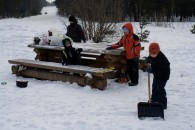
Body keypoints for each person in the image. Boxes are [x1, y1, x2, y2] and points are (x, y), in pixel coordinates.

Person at [146, 42, 170, 109]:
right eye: (151, 54)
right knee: (154, 87)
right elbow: (150, 58)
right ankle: (154, 99)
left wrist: (152, 71)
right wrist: (148, 60)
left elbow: (161, 71)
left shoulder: (162, 59)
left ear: (158, 51)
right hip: (156, 75)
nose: (152, 55)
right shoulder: (152, 55)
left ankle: (162, 104)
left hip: (163, 76)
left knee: (160, 89)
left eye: (154, 54)